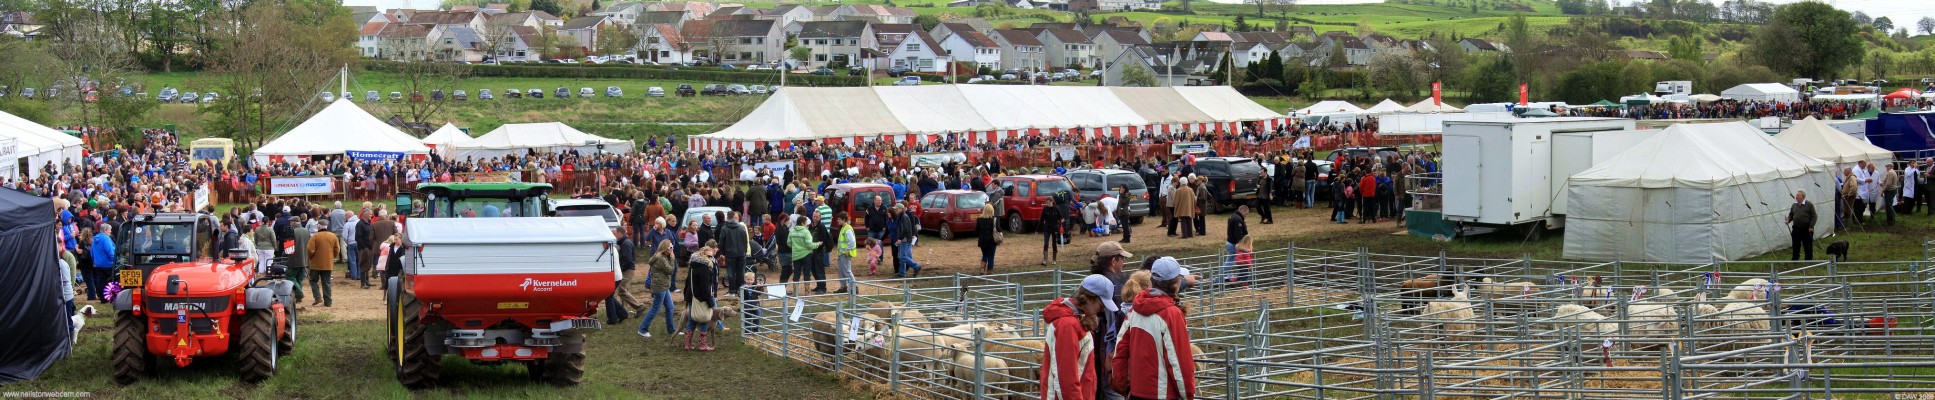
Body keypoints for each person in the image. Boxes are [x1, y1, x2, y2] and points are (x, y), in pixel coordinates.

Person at [1109, 257, 1197, 400]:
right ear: (1176, 283)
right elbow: (1179, 361)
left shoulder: (1134, 310)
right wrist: (1187, 394)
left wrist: (1123, 387)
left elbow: (1120, 351)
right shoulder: (1171, 314)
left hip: (1136, 392)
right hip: (1163, 393)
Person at [1039, 275, 1113, 400]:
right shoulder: (1068, 325)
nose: (1101, 310)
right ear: (1089, 298)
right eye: (1101, 305)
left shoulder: (1076, 319)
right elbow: (1066, 378)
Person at [1090, 241, 1133, 400]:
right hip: (1110, 350)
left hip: (1096, 350)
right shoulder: (1115, 287)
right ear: (1114, 261)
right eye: (1122, 259)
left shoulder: (1093, 283)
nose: (1124, 262)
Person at [683, 241, 719, 351]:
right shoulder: (704, 269)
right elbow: (705, 288)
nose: (711, 258)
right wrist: (711, 302)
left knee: (692, 319)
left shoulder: (693, 266)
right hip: (701, 298)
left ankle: (687, 343)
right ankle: (702, 345)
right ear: (704, 255)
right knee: (704, 319)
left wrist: (687, 296)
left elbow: (687, 282)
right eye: (709, 256)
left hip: (691, 297)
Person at [638, 239, 677, 337]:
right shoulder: (661, 259)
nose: (672, 250)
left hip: (663, 286)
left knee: (670, 307)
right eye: (670, 247)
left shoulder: (662, 256)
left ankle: (671, 330)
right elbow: (670, 270)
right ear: (665, 248)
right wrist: (672, 258)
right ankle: (643, 329)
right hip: (659, 287)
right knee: (655, 309)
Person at [306, 221, 341, 307]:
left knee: (313, 281)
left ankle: (318, 297)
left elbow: (310, 249)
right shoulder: (333, 236)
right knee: (326, 282)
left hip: (316, 264)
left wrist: (311, 257)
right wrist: (332, 257)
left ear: (318, 226)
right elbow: (337, 249)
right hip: (328, 263)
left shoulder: (315, 236)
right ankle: (328, 302)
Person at [786, 215, 821, 295]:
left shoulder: (792, 231)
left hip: (796, 255)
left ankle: (795, 292)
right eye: (806, 223)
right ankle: (807, 292)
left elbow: (789, 243)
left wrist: (795, 247)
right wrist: (817, 244)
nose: (807, 225)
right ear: (802, 223)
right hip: (806, 255)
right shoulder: (806, 232)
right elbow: (809, 245)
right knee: (807, 273)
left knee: (796, 273)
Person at [89, 224, 117, 303]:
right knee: (111, 282)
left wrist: (94, 260)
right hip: (109, 264)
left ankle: (102, 298)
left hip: (98, 264)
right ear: (105, 230)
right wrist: (115, 260)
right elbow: (110, 251)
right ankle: (111, 298)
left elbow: (92, 252)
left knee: (101, 282)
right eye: (109, 230)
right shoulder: (106, 239)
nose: (110, 232)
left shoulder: (95, 239)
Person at [893, 204, 922, 277]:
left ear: (900, 209)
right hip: (904, 239)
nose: (895, 210)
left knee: (902, 256)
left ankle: (916, 266)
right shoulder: (901, 216)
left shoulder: (903, 217)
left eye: (896, 209)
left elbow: (905, 229)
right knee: (901, 256)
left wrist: (900, 238)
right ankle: (902, 272)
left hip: (905, 240)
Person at [1787, 190, 1817, 261]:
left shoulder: (1809, 205)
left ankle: (1808, 259)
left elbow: (1814, 216)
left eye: (1798, 195)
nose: (1796, 197)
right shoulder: (1794, 205)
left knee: (1807, 245)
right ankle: (1795, 259)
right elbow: (1791, 214)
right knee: (1795, 244)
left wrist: (1811, 226)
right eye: (1796, 195)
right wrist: (1788, 220)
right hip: (1796, 228)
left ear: (1803, 197)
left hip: (1806, 229)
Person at [288, 218, 310, 303]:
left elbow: (288, 246)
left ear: (294, 222)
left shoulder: (293, 232)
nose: (290, 224)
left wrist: (284, 255)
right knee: (299, 278)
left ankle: (299, 293)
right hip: (304, 259)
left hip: (294, 259)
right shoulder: (306, 231)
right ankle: (298, 297)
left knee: (290, 276)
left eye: (290, 222)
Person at [833, 213, 856, 293]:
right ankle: (843, 287)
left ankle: (854, 287)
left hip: (845, 254)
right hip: (841, 254)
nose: (837, 221)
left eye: (839, 219)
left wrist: (847, 250)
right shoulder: (843, 228)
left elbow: (852, 241)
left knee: (847, 271)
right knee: (841, 271)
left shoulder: (847, 229)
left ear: (844, 220)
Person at [1225, 205, 1248, 277]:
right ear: (1243, 211)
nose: (1246, 215)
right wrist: (1240, 244)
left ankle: (1227, 276)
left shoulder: (1233, 216)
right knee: (1230, 262)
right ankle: (1219, 278)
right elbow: (1238, 234)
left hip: (1230, 242)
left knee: (1229, 261)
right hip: (1233, 244)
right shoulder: (1238, 219)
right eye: (1246, 213)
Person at [976, 204, 999, 274]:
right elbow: (999, 229)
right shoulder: (994, 220)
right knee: (991, 257)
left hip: (982, 241)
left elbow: (976, 231)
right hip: (991, 241)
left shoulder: (979, 219)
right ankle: (989, 272)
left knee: (985, 255)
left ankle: (982, 269)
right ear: (992, 210)